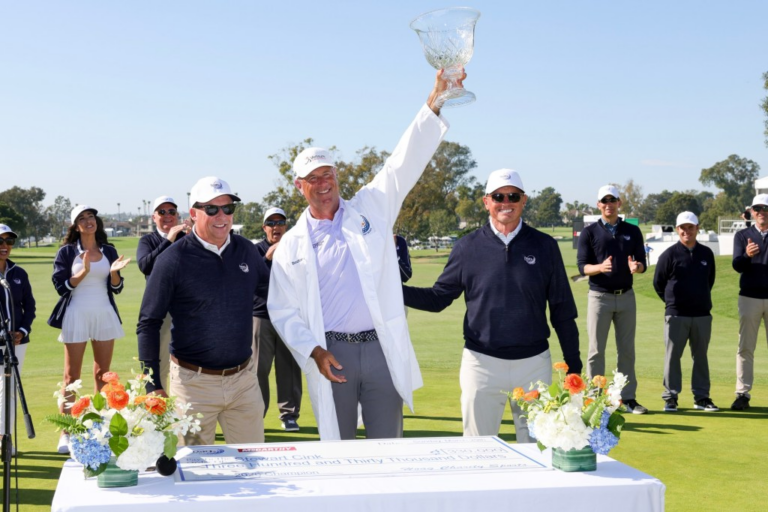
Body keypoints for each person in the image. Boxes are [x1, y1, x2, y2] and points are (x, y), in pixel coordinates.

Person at [268, 70, 455, 440]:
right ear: (298, 186)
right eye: (314, 178)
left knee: (389, 444)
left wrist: (433, 103)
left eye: (328, 175)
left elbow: (403, 164)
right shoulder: (291, 243)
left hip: (380, 346)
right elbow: (282, 311)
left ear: (337, 175)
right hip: (331, 352)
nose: (324, 185)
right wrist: (315, 352)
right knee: (339, 453)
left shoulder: (370, 207)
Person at [403, 169, 581, 442]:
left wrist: (574, 365)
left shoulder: (545, 246)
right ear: (486, 201)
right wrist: (393, 292)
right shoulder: (467, 247)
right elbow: (438, 298)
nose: (505, 202)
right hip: (481, 364)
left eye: (512, 196)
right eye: (498, 196)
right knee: (478, 451)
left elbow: (562, 311)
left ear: (524, 200)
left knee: (539, 448)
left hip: (533, 364)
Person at [137, 177, 268, 445]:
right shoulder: (172, 260)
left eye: (228, 208)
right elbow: (148, 322)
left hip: (243, 381)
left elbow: (274, 297)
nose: (222, 216)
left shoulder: (246, 251)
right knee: (194, 477)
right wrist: (152, 384)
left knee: (256, 468)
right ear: (193, 214)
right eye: (211, 209)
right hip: (192, 384)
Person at [49, 205, 130, 453]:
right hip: (76, 315)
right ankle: (67, 431)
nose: (88, 221)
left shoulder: (109, 250)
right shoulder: (66, 252)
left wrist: (114, 274)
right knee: (71, 378)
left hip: (104, 314)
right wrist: (83, 272)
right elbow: (61, 287)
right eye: (82, 218)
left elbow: (116, 288)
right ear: (75, 225)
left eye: (91, 217)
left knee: (103, 375)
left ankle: (98, 426)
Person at [577, 185, 648, 414]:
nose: (609, 204)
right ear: (598, 205)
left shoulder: (632, 231)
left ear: (619, 203)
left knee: (626, 350)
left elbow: (642, 263)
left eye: (613, 200)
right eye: (604, 201)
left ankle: (626, 399)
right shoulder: (589, 232)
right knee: (596, 350)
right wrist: (600, 267)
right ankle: (595, 398)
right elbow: (582, 267)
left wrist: (637, 267)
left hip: (626, 296)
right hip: (599, 297)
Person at [653, 212, 718, 412]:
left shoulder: (706, 253)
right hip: (676, 314)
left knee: (701, 356)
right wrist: (672, 302)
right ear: (677, 229)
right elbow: (658, 283)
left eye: (690, 227)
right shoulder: (669, 254)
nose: (686, 231)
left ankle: (701, 398)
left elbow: (710, 281)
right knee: (673, 357)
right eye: (682, 227)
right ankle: (670, 397)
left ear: (697, 228)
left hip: (701, 314)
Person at [253, 207, 303, 432]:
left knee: (289, 368)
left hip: (290, 316)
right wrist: (267, 258)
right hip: (261, 316)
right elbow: (250, 279)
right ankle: (256, 414)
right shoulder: (254, 251)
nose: (276, 227)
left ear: (286, 226)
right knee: (257, 369)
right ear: (264, 228)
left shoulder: (296, 249)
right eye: (271, 223)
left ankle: (289, 414)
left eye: (280, 222)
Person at [136, 196, 192, 386]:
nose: (167, 216)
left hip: (187, 309)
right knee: (158, 366)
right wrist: (169, 240)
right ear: (153, 217)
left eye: (172, 212)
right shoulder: (148, 240)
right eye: (162, 212)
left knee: (187, 364)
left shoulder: (188, 239)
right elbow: (146, 266)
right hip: (160, 309)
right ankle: (157, 410)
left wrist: (195, 236)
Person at [0, 224, 36, 454]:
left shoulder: (18, 273)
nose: (4, 246)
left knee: (9, 390)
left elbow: (29, 306)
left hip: (16, 342)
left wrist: (21, 331)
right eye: (0, 242)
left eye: (8, 242)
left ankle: (5, 440)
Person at [731, 193, 768, 411]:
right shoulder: (743, 235)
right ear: (751, 212)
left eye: (765, 208)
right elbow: (737, 265)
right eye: (758, 208)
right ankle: (742, 394)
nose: (762, 211)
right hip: (749, 297)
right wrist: (746, 256)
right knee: (745, 348)